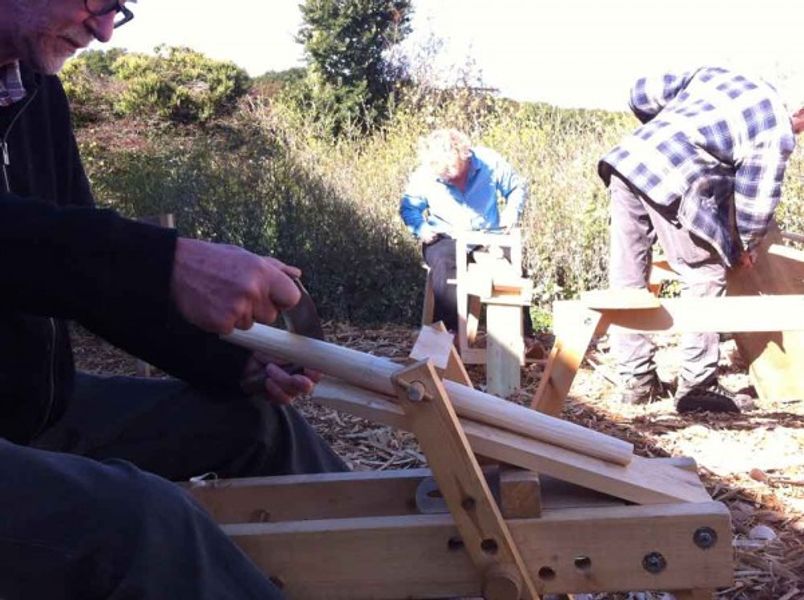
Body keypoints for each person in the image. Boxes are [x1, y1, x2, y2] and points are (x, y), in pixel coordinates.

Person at [0, 1, 347, 598]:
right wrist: (167, 262)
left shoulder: (32, 87)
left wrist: (233, 360)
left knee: (260, 425)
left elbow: (88, 277)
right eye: (96, 2)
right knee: (144, 526)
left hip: (30, 410)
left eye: (119, 9)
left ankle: (378, 574)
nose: (106, 30)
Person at [599, 66, 804, 413]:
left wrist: (667, 131)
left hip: (628, 161)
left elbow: (641, 91)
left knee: (628, 275)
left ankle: (636, 380)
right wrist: (746, 247)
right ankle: (698, 385)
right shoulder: (775, 125)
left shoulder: (724, 77)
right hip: (673, 177)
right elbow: (758, 197)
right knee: (706, 272)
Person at [399, 128, 536, 342]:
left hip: (488, 235)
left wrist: (511, 212)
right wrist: (421, 228)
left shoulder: (489, 162)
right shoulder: (425, 173)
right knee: (444, 264)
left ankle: (523, 337)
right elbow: (409, 208)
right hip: (445, 236)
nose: (451, 181)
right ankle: (447, 336)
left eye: (455, 174)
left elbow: (517, 186)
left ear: (465, 156)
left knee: (513, 267)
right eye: (445, 177)